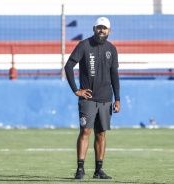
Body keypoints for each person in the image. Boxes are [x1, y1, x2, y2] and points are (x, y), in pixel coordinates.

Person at [64, 17, 121, 180]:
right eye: (99, 28)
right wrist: (76, 90)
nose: (101, 30)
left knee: (101, 134)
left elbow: (114, 75)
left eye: (105, 28)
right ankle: (80, 169)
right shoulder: (84, 45)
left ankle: (99, 171)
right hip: (88, 98)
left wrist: (117, 98)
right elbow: (68, 66)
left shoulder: (112, 49)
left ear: (109, 31)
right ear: (94, 28)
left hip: (105, 98)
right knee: (85, 131)